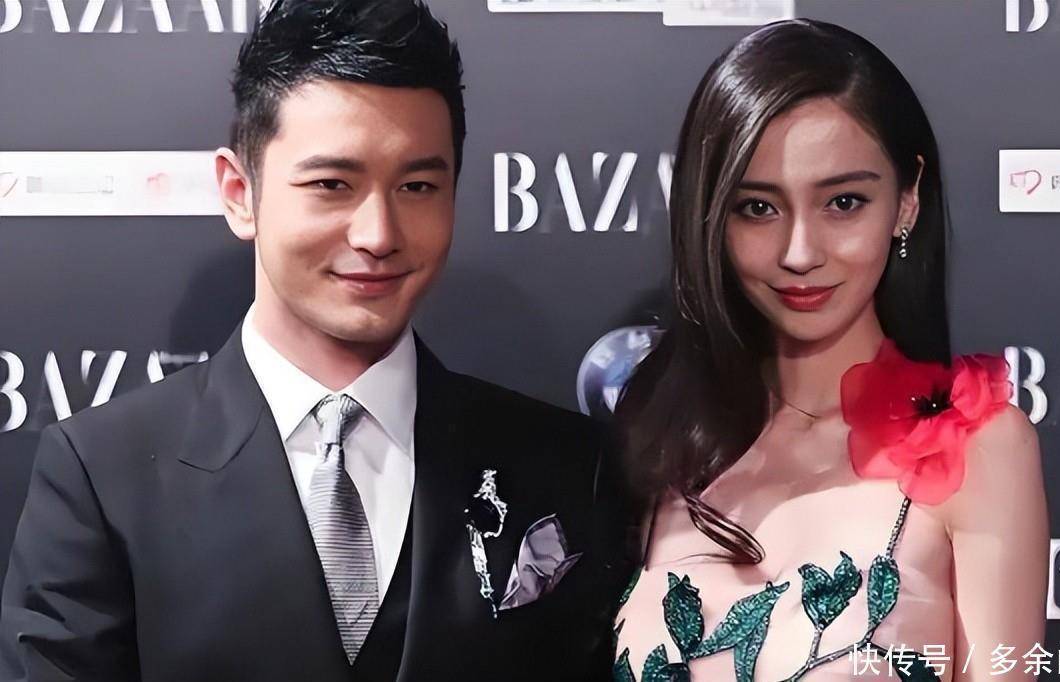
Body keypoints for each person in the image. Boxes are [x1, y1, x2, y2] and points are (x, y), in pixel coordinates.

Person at [0, 1, 630, 680]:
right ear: (239, 193)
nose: (378, 234)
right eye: (332, 184)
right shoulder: (102, 476)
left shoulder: (568, 466)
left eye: (418, 186)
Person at [611, 19, 1049, 682]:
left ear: (907, 200)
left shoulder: (983, 449)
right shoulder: (664, 439)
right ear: (710, 216)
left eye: (844, 202)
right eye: (758, 208)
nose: (800, 253)